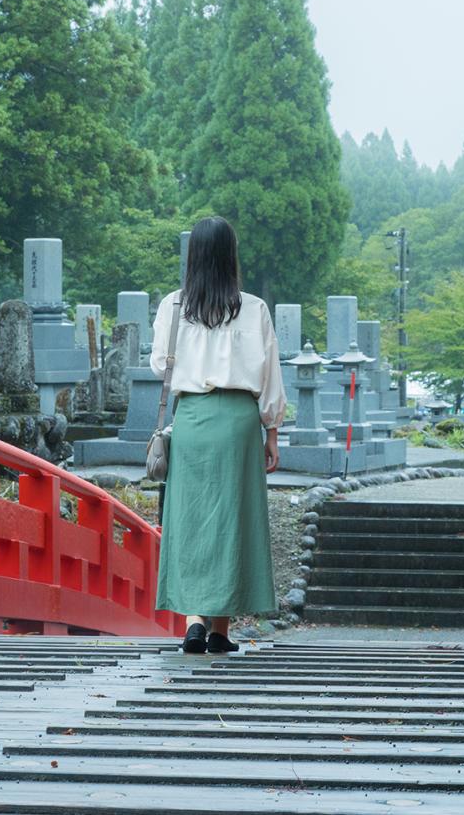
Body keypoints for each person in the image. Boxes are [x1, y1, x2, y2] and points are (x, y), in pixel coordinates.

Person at [150, 216, 285, 654]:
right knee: (233, 519)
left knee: (189, 517)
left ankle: (192, 621)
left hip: (191, 419)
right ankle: (221, 630)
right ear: (231, 255)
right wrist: (272, 433)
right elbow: (269, 377)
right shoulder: (254, 308)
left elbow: (159, 366)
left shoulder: (173, 306)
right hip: (240, 421)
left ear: (193, 255)